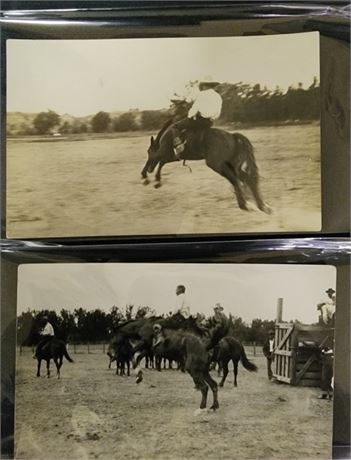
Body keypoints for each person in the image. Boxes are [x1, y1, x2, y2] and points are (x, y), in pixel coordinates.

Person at [171, 80, 223, 159]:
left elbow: (194, 108)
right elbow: (217, 112)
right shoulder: (218, 96)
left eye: (202, 86)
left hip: (199, 120)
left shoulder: (202, 94)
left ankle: (178, 147)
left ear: (205, 85)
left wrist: (190, 116)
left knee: (175, 127)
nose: (202, 87)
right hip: (209, 122)